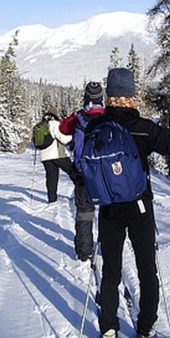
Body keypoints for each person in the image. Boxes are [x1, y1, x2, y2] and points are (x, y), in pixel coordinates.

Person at [89, 68, 170, 338]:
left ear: (109, 95)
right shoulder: (143, 127)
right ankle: (146, 330)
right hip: (140, 207)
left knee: (110, 270)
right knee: (147, 269)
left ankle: (108, 331)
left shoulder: (96, 127)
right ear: (131, 95)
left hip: (109, 208)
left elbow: (80, 164)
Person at [59, 81, 105, 261]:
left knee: (85, 213)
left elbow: (63, 128)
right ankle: (107, 247)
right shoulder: (107, 116)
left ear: (86, 97)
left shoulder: (79, 117)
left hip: (82, 173)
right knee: (108, 212)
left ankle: (84, 251)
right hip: (104, 173)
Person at [39, 106, 75, 204]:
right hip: (57, 154)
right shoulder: (54, 124)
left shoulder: (42, 124)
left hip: (45, 156)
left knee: (51, 177)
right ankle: (80, 193)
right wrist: (72, 136)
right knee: (73, 172)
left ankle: (52, 199)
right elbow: (63, 138)